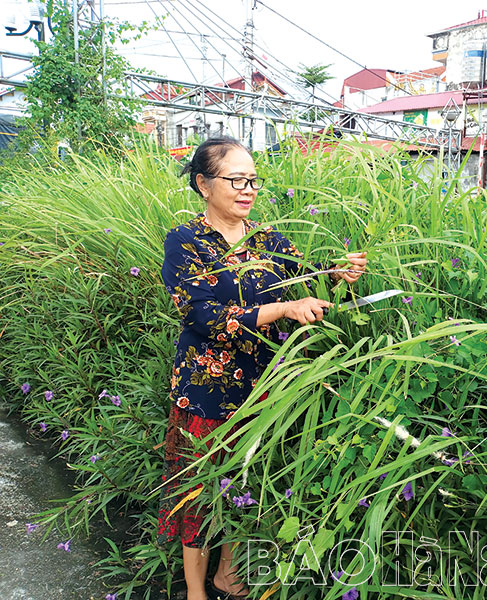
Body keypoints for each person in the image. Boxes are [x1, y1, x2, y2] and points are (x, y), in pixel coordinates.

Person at [155, 136, 366, 600]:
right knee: (198, 490)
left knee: (243, 482)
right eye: (236, 180)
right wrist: (284, 309)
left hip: (263, 384)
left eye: (252, 180)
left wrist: (338, 273)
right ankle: (195, 590)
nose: (247, 189)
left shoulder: (268, 239)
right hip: (207, 389)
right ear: (203, 184)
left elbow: (305, 275)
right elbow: (203, 316)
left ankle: (227, 576)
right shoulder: (185, 241)